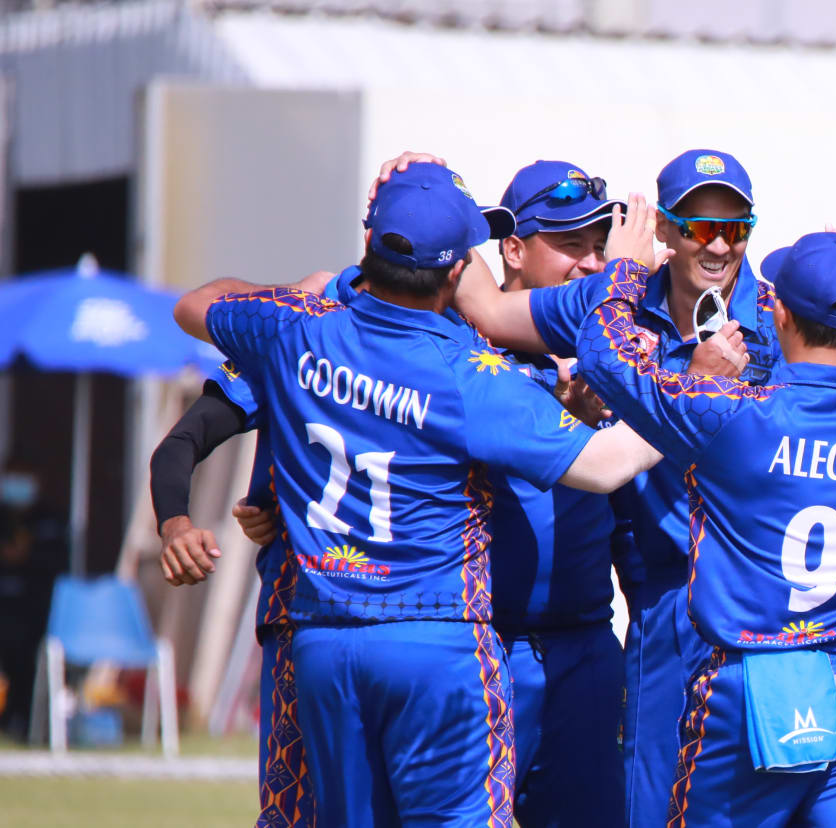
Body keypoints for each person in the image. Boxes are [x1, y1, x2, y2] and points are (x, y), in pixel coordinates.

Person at [173, 162, 661, 827]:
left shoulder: (298, 327)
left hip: (325, 639)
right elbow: (608, 467)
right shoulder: (463, 371)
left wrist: (311, 290)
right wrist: (707, 401)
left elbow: (194, 304)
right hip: (436, 637)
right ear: (459, 273)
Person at [572, 207, 836, 826]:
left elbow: (602, 355)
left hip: (748, 680)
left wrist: (623, 271)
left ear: (778, 316)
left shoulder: (732, 417)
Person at [452, 148, 773, 826]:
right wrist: (430, 189)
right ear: (663, 229)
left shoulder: (778, 317)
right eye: (697, 225)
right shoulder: (610, 304)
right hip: (659, 603)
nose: (716, 244)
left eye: (733, 227)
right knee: (644, 805)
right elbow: (483, 304)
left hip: (764, 605)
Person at [149, 267, 341, 828]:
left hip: (414, 625)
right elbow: (179, 445)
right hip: (302, 619)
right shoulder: (301, 333)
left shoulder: (453, 339)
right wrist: (175, 524)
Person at [485, 159, 628, 827]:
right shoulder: (463, 351)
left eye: (600, 246)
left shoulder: (618, 353)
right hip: (484, 644)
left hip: (586, 645)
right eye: (571, 244)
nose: (591, 263)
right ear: (512, 248)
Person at [0, 461, 63, 743]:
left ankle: (23, 722)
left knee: (27, 662)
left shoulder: (49, 518)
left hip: (33, 611)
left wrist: (24, 556)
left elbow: (58, 562)